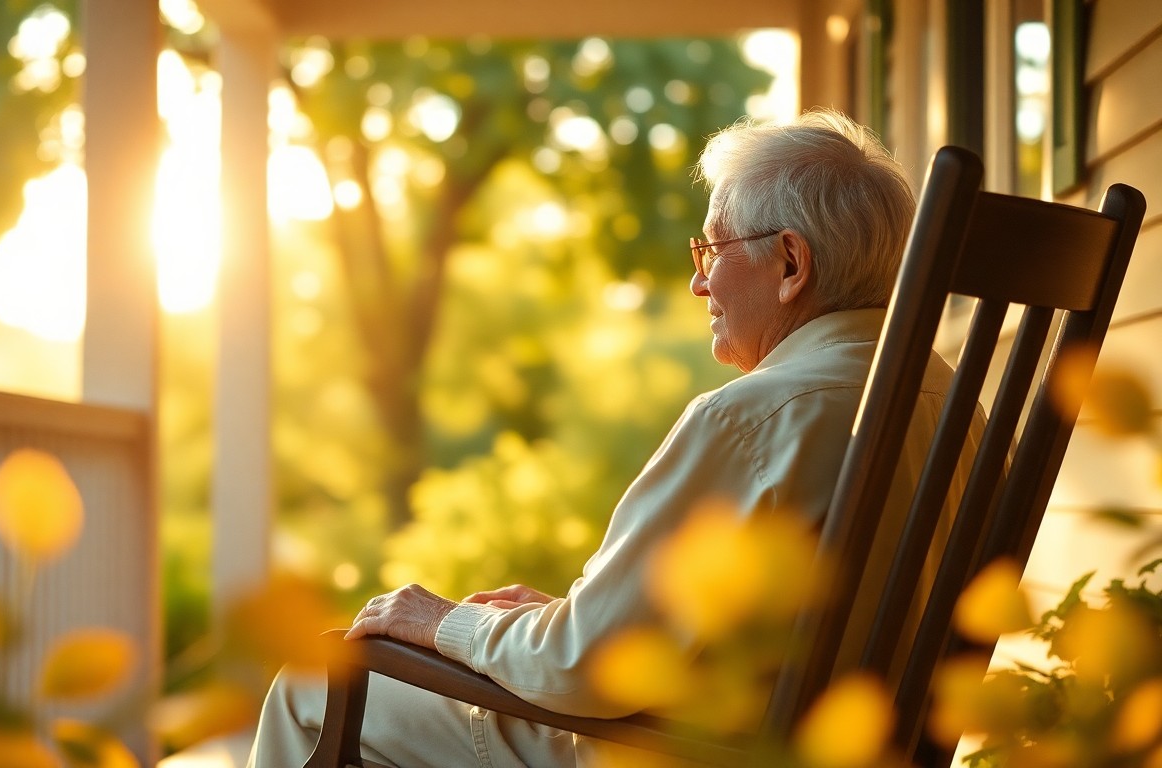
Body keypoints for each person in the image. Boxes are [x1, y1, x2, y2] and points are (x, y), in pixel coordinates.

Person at [248, 108, 980, 767]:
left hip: (674, 752)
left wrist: (447, 623)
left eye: (712, 252)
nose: (699, 286)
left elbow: (581, 672)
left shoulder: (756, 417)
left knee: (314, 686)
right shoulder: (957, 409)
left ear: (791, 263)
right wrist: (559, 623)